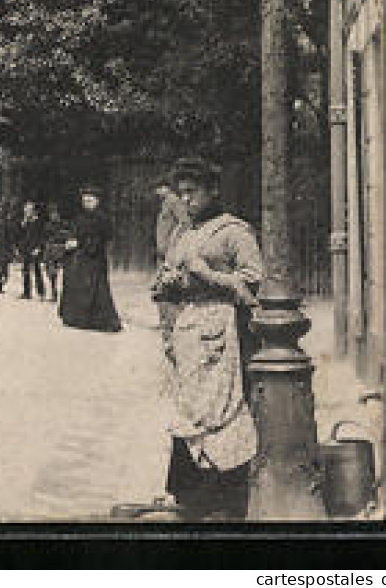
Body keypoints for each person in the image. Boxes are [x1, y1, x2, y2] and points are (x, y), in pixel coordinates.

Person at [152, 156, 264, 521]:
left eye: (193, 192)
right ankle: (190, 495)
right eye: (181, 193)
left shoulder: (233, 231)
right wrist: (167, 288)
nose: (186, 200)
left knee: (219, 410)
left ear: (213, 191)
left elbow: (253, 282)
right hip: (188, 332)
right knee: (187, 409)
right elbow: (168, 279)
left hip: (222, 331)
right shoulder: (184, 234)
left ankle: (225, 498)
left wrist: (207, 275)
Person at [58, 184, 123, 332]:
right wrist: (70, 241)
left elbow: (102, 238)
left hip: (94, 258)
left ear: (97, 201)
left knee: (96, 290)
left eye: (89, 200)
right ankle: (77, 319)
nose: (86, 203)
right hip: (80, 258)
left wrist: (79, 243)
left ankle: (100, 321)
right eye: (84, 200)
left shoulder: (102, 218)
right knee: (76, 285)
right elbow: (74, 231)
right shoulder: (80, 217)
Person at [153, 173, 192, 332]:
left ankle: (171, 321)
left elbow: (184, 223)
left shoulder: (174, 202)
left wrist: (173, 245)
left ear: (165, 188)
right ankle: (165, 320)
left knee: (168, 284)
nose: (156, 192)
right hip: (163, 252)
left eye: (159, 188)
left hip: (170, 253)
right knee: (161, 284)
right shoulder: (165, 203)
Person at [16, 199, 47, 301]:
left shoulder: (38, 221)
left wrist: (38, 248)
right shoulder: (24, 221)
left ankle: (41, 292)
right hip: (25, 249)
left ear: (33, 210)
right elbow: (20, 235)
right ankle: (26, 292)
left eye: (29, 209)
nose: (26, 211)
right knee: (25, 271)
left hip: (35, 249)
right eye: (25, 209)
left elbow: (42, 236)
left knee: (37, 270)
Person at [42, 202, 69, 302]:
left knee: (64, 274)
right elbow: (45, 238)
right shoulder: (47, 225)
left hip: (61, 250)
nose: (53, 215)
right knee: (51, 274)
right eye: (51, 213)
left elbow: (67, 236)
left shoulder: (64, 224)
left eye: (55, 213)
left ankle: (64, 295)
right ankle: (54, 293)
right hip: (50, 251)